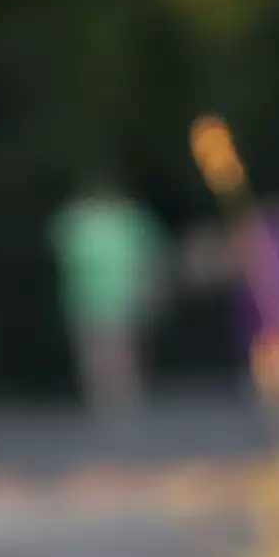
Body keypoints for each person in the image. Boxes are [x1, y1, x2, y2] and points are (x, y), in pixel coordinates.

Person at [49, 178, 166, 416]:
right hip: (105, 296)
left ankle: (110, 398)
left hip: (95, 296)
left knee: (103, 350)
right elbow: (151, 258)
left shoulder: (75, 221)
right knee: (113, 349)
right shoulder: (130, 219)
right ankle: (117, 398)